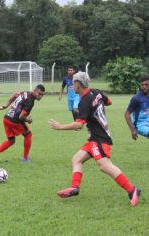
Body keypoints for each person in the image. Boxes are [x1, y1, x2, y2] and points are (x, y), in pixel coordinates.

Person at [49, 72, 140, 206]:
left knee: (104, 166)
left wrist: (60, 126)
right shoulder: (96, 92)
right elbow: (109, 101)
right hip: (96, 137)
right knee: (76, 159)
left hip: (99, 138)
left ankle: (132, 190)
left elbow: (79, 125)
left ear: (78, 84)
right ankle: (75, 188)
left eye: (73, 83)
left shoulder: (84, 102)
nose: (72, 85)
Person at [0, 84, 45, 163]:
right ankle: (25, 159)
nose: (40, 96)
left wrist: (5, 106)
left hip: (6, 118)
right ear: (35, 90)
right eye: (39, 93)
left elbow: (14, 95)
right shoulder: (30, 101)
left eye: (42, 95)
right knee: (28, 135)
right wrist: (28, 120)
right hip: (14, 121)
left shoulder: (25, 93)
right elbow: (21, 117)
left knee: (11, 141)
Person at [124, 75, 149, 140]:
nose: (144, 87)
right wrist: (132, 130)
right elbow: (127, 114)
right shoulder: (136, 98)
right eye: (142, 85)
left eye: (146, 85)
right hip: (140, 125)